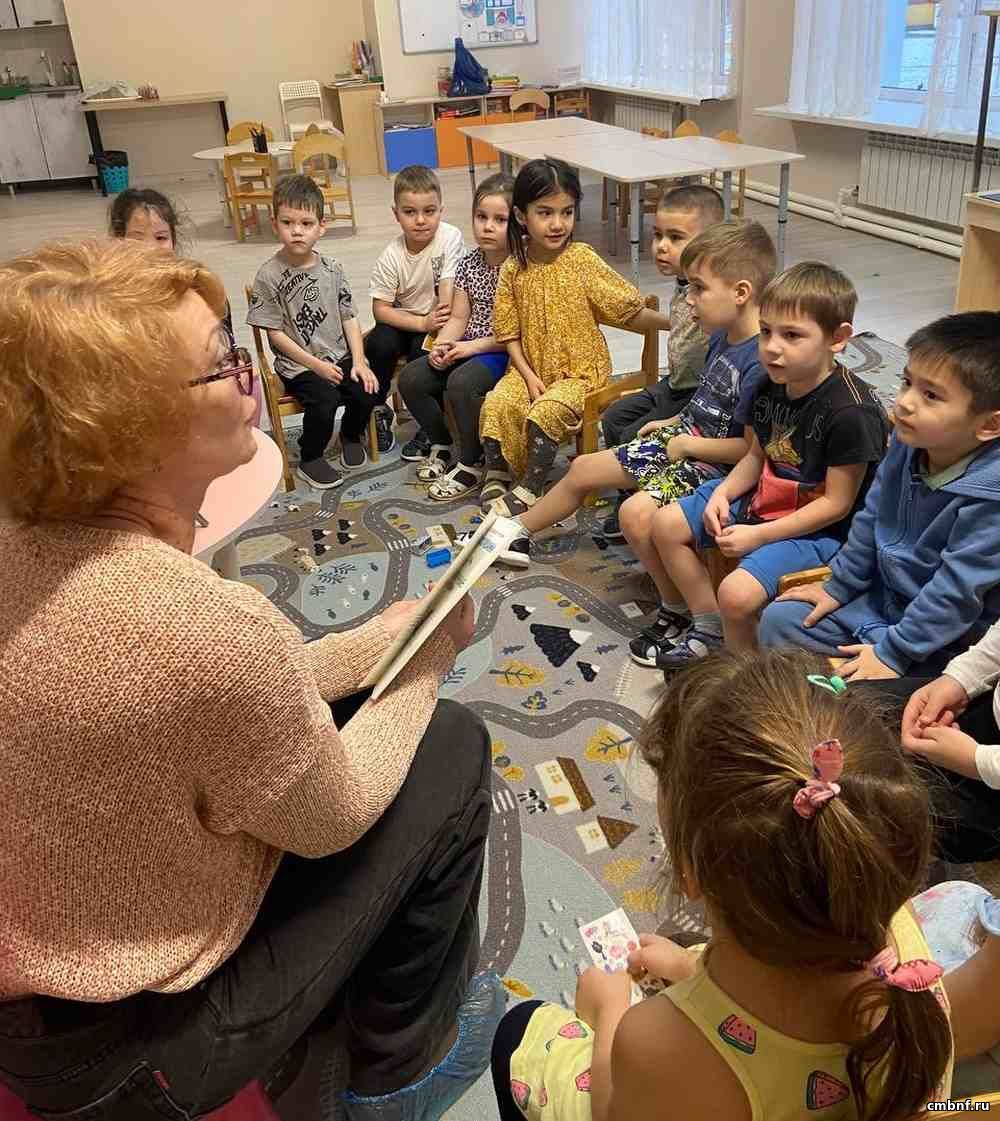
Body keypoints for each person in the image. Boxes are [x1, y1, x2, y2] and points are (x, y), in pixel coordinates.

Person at [0, 239, 504, 1121]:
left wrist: (379, 639)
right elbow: (335, 810)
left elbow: (223, 703)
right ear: (126, 426)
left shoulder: (26, 547)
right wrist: (428, 658)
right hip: (139, 1049)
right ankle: (397, 1076)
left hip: (43, 989)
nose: (248, 377)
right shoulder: (200, 625)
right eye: (220, 362)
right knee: (452, 745)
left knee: (358, 702)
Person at [490, 649, 953, 1121]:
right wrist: (688, 968)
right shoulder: (905, 955)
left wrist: (611, 1012)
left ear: (690, 873)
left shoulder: (654, 1039)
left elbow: (614, 1111)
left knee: (518, 1033)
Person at [493, 221, 773, 619]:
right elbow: (708, 402)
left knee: (635, 515)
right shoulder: (721, 336)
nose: (688, 299)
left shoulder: (762, 363)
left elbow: (750, 451)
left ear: (741, 293)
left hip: (715, 466)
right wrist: (674, 421)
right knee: (584, 468)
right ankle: (515, 530)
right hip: (685, 440)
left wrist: (687, 442)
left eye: (698, 288)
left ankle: (678, 608)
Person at [654, 262, 888, 668]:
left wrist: (759, 536)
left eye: (792, 335)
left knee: (736, 594)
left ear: (838, 339)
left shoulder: (852, 412)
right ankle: (709, 626)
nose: (772, 347)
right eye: (766, 331)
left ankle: (745, 676)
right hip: (766, 497)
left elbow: (836, 505)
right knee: (664, 525)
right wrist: (723, 493)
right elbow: (756, 455)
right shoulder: (768, 381)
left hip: (821, 531)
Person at [761, 311, 1000, 682]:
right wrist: (839, 586)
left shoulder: (991, 499)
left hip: (944, 640)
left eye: (931, 395)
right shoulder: (910, 440)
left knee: (866, 697)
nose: (904, 402)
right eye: (907, 382)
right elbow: (872, 516)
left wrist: (893, 652)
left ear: (989, 424)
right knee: (779, 621)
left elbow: (955, 594)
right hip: (881, 602)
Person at [478, 158, 672, 516]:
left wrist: (675, 322)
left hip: (580, 374)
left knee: (547, 412)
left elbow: (626, 309)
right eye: (545, 213)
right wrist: (528, 375)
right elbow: (508, 333)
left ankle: (531, 487)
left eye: (566, 212)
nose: (558, 224)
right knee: (497, 402)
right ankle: (498, 471)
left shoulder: (581, 258)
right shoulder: (513, 267)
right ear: (521, 216)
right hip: (529, 369)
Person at [597, 184, 723, 541]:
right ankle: (628, 492)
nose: (662, 246)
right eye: (657, 235)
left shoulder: (716, 294)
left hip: (696, 394)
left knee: (632, 434)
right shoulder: (684, 284)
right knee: (614, 418)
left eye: (676, 237)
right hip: (673, 382)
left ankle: (645, 505)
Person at [247, 174, 379, 490]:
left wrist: (358, 360)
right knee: (325, 400)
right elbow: (274, 334)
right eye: (288, 222)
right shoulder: (268, 276)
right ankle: (311, 456)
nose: (297, 231)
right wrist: (316, 365)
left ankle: (350, 435)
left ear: (321, 226)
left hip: (339, 354)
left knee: (366, 388)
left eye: (306, 223)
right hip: (300, 365)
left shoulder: (333, 268)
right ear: (274, 224)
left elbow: (349, 316)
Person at [398, 172, 514, 502]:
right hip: (465, 345)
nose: (487, 227)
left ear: (517, 223)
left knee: (461, 383)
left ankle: (472, 461)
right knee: (412, 378)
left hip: (502, 350)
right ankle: (442, 442)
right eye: (481, 217)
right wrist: (442, 345)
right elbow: (459, 317)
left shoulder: (520, 268)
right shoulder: (467, 264)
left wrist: (467, 349)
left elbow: (514, 333)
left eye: (500, 220)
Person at [109, 187, 258, 421]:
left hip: (200, 378)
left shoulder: (197, 287)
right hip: (149, 392)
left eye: (160, 238)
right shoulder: (111, 298)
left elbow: (224, 344)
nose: (150, 248)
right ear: (118, 241)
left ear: (173, 239)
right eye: (136, 239)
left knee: (251, 382)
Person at [365, 164, 465, 460]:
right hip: (407, 318)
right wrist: (421, 322)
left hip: (439, 320)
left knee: (422, 354)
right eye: (410, 212)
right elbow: (380, 310)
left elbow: (448, 287)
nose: (421, 220)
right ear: (396, 214)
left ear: (441, 210)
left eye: (429, 211)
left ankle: (429, 422)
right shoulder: (391, 256)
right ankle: (378, 408)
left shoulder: (450, 236)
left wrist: (434, 323)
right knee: (379, 343)